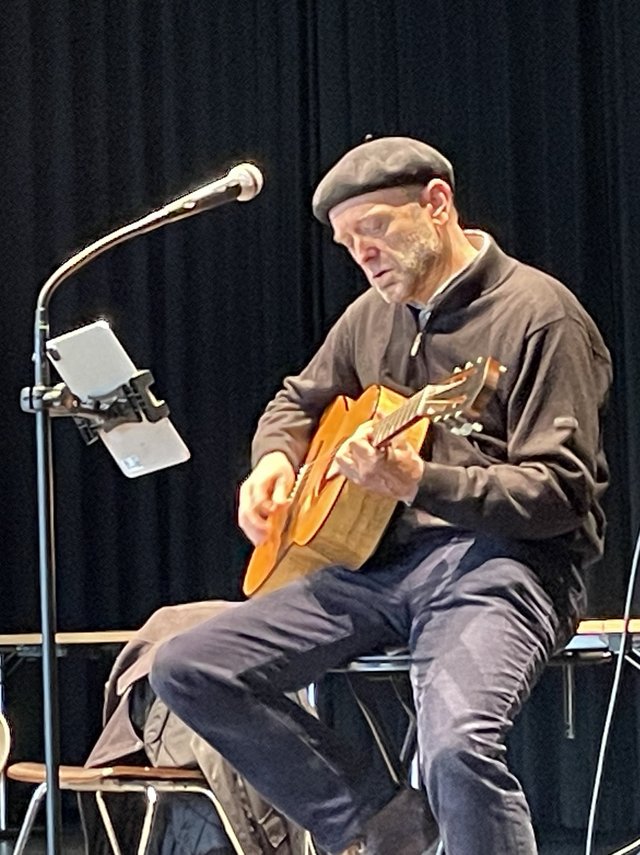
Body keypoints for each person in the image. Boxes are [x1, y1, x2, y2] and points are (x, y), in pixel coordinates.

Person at [150, 137, 612, 854]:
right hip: (375, 566)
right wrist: (272, 460)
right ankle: (385, 824)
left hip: (502, 567)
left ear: (436, 204)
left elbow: (561, 493)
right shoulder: (372, 315)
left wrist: (420, 481)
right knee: (187, 666)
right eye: (345, 241)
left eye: (373, 228)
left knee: (456, 749)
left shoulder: (539, 314)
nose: (361, 253)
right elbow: (295, 401)